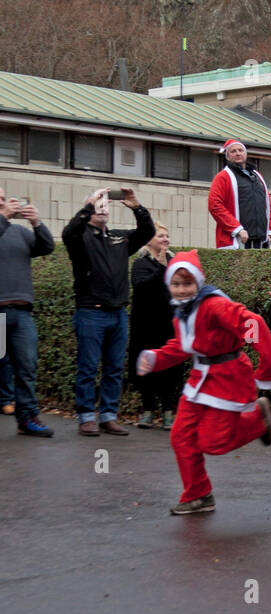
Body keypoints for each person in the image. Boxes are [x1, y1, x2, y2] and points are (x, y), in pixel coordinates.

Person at [136, 251, 271, 514]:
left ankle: (258, 419)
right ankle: (198, 494)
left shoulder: (213, 305)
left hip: (228, 378)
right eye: (176, 284)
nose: (181, 290)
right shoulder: (182, 310)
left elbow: (252, 324)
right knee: (181, 437)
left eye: (187, 284)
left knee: (214, 443)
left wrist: (269, 369)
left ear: (198, 282)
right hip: (199, 381)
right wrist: (155, 358)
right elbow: (183, 347)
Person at [62, 187, 155, 437]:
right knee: (88, 367)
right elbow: (67, 233)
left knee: (114, 368)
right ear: (89, 208)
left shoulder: (119, 238)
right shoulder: (80, 237)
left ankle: (108, 416)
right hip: (90, 313)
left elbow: (148, 232)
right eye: (98, 203)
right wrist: (88, 206)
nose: (103, 207)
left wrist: (137, 206)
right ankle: (85, 417)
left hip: (118, 314)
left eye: (106, 204)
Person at [0, 185, 55, 437]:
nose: (2, 202)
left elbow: (46, 247)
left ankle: (28, 418)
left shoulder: (19, 232)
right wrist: (4, 217)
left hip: (21, 313)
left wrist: (37, 223)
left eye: (4, 198)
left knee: (26, 366)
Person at [128, 223, 182, 429]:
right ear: (149, 239)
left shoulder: (175, 262)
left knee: (170, 367)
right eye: (161, 236)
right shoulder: (140, 263)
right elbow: (142, 287)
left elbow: (179, 289)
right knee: (146, 367)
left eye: (167, 236)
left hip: (169, 325)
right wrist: (160, 267)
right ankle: (148, 411)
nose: (165, 239)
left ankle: (169, 413)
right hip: (145, 326)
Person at [207, 139, 271, 249]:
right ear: (227, 156)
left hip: (260, 241)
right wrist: (237, 229)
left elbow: (267, 205)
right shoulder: (223, 177)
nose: (238, 153)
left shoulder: (257, 176)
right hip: (236, 241)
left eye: (241, 150)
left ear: (245, 153)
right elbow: (215, 206)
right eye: (233, 151)